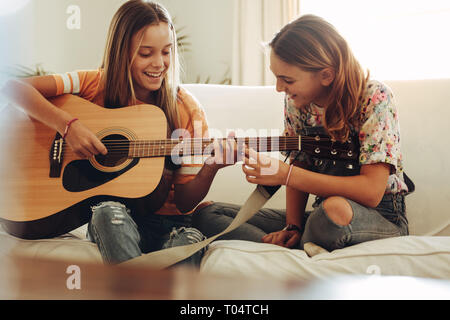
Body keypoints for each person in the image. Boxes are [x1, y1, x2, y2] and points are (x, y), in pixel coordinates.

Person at [2, 0, 234, 265]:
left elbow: (183, 202)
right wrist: (68, 126)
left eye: (167, 52)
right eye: (146, 53)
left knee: (189, 241)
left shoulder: (187, 109)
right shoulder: (92, 84)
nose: (159, 63)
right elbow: (13, 87)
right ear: (120, 51)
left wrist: (210, 169)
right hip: (114, 217)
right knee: (106, 213)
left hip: (172, 225)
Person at [193, 14, 413, 252]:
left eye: (286, 79)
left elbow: (371, 192)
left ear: (326, 75)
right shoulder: (298, 102)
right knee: (208, 213)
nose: (279, 88)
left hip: (377, 216)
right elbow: (301, 164)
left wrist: (286, 175)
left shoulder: (374, 98)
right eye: (276, 77)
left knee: (333, 211)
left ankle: (294, 245)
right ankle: (294, 244)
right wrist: (293, 226)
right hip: (322, 212)